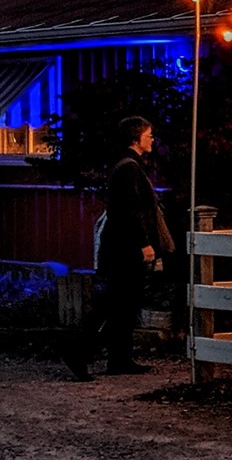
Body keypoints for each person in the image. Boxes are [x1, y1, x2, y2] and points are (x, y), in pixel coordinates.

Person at [65, 116, 174, 380]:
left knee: (125, 303)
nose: (152, 140)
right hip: (124, 249)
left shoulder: (126, 166)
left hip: (121, 247)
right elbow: (130, 210)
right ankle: (78, 352)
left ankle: (119, 358)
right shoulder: (129, 169)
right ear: (136, 138)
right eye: (148, 135)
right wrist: (144, 243)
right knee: (115, 303)